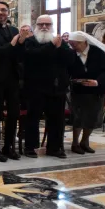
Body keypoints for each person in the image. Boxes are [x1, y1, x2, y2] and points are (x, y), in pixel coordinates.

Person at [0, 1, 29, 162]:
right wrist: (12, 44)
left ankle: (9, 147)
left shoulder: (14, 30)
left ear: (8, 12)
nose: (1, 13)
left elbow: (20, 55)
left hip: (13, 78)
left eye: (3, 10)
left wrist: (21, 43)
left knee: (14, 114)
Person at [23, 15, 74, 159]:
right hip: (36, 87)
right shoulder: (30, 41)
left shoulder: (59, 41)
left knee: (57, 119)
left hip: (56, 88)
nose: (44, 27)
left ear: (52, 26)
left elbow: (70, 60)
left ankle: (54, 148)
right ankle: (30, 147)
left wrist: (60, 47)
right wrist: (52, 45)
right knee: (33, 118)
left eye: (47, 24)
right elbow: (34, 56)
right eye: (41, 24)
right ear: (36, 25)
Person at [67, 31, 105, 154]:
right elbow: (67, 70)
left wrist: (97, 82)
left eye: (75, 44)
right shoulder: (72, 54)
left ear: (84, 42)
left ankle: (85, 141)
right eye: (71, 44)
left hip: (95, 90)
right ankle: (75, 143)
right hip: (78, 90)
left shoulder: (98, 53)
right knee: (78, 117)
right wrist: (73, 80)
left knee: (92, 116)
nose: (73, 47)